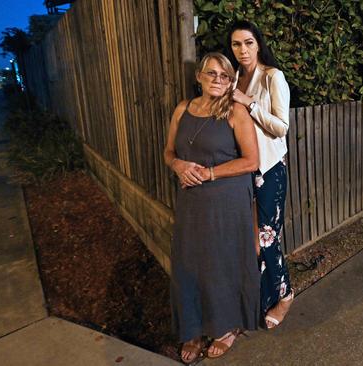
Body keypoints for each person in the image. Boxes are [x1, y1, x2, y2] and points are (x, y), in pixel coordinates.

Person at [163, 52, 260, 363]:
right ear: (199, 77)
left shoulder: (235, 112)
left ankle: (225, 328)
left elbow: (251, 161)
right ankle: (192, 329)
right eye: (212, 74)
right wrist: (177, 164)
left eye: (225, 76)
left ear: (231, 81)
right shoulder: (183, 109)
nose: (218, 80)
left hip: (227, 199)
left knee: (221, 264)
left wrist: (210, 173)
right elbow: (168, 151)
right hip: (191, 200)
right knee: (188, 262)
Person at [226, 20, 294, 330]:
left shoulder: (272, 77)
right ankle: (261, 299)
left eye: (248, 43)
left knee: (267, 239)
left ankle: (285, 296)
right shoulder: (234, 78)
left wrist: (249, 103)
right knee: (250, 242)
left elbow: (281, 127)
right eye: (237, 44)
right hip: (241, 169)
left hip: (268, 169)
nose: (242, 50)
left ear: (258, 44)